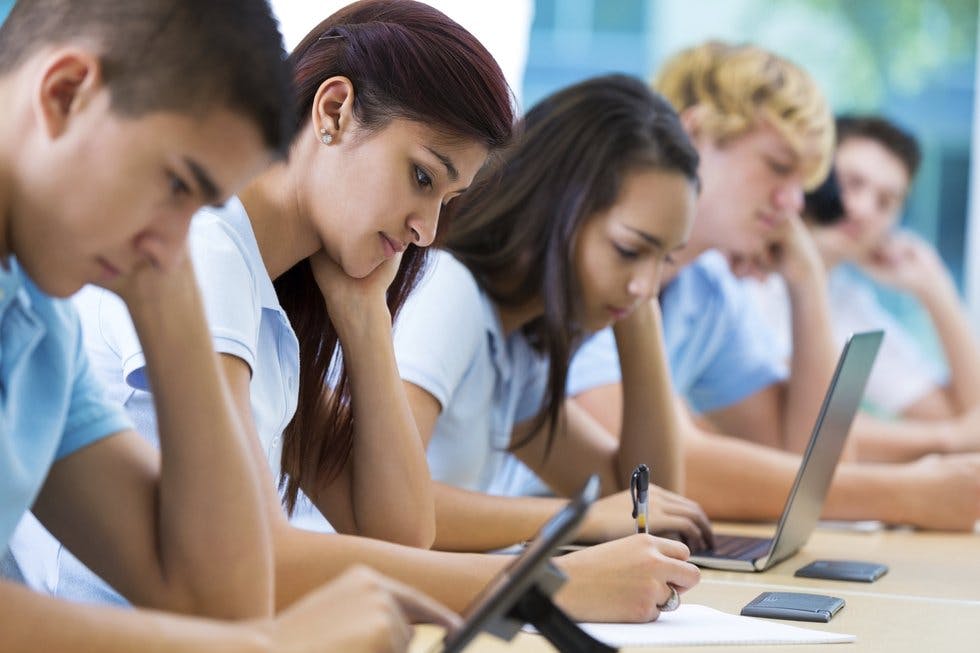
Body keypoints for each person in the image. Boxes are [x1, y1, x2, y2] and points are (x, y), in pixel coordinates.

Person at [10, 1, 693, 628]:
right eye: (423, 177)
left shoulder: (58, 322)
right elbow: (252, 576)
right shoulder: (208, 246)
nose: (427, 230)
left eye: (446, 201)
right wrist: (543, 582)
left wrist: (364, 316)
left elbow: (368, 540)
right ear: (332, 112)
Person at [0, 1, 464, 651]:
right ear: (66, 92)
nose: (176, 243)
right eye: (175, 184)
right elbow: (238, 624)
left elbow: (222, 597)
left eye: (204, 205)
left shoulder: (39, 326)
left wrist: (169, 296)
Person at [568, 42, 980, 531]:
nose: (791, 202)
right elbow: (663, 473)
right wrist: (906, 495)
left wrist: (806, 283)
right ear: (694, 136)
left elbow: (816, 454)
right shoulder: (600, 261)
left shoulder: (709, 289)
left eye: (802, 182)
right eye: (779, 167)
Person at [391, 73, 711, 579]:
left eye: (664, 259)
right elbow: (384, 504)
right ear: (553, 206)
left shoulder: (515, 341)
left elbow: (642, 506)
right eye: (629, 250)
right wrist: (572, 517)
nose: (645, 283)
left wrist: (639, 317)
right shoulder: (448, 293)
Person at [748, 116, 980, 463]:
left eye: (886, 202)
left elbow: (967, 419)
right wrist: (946, 440)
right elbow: (792, 424)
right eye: (851, 183)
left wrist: (936, 291)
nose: (863, 209)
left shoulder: (849, 305)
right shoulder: (743, 274)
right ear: (814, 176)